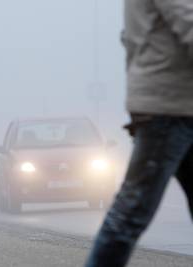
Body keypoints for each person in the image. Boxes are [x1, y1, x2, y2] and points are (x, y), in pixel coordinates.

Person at [85, 1, 193, 266]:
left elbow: (131, 40)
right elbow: (188, 21)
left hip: (174, 105)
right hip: (168, 108)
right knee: (130, 215)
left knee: (129, 215)